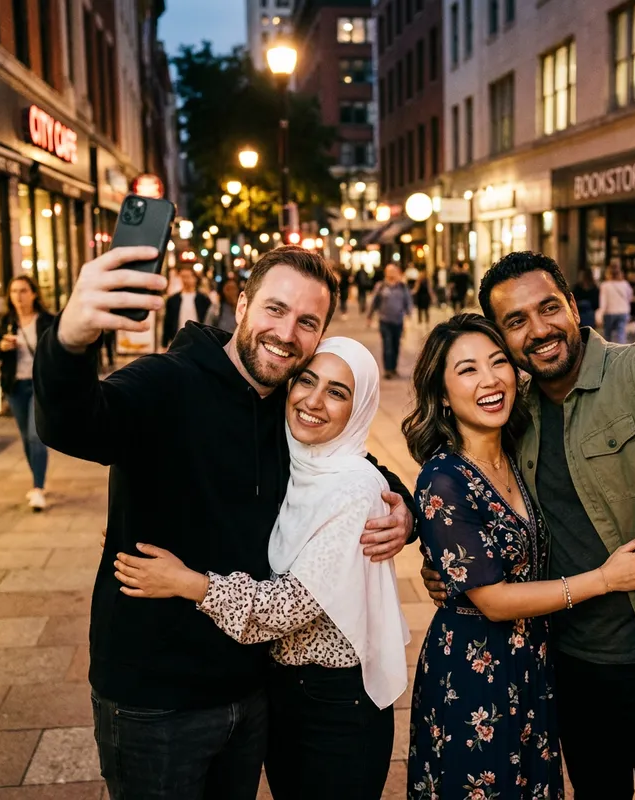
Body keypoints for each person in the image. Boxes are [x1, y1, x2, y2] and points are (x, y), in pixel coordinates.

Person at [33, 245, 416, 800]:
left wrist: (403, 507)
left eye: (307, 322)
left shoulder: (287, 400)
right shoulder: (166, 381)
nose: (286, 333)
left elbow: (349, 465)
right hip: (157, 700)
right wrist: (69, 340)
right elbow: (75, 424)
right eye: (275, 309)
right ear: (241, 306)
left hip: (251, 693)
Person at [422, 251, 635, 799]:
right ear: (503, 339)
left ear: (572, 304)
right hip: (570, 664)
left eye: (548, 308)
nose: (539, 330)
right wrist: (442, 557)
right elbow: (476, 494)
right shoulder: (514, 409)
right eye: (516, 322)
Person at [113, 337, 409, 799]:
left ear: (361, 406)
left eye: (337, 391)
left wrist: (186, 583)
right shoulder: (301, 463)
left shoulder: (353, 489)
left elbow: (288, 607)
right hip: (285, 692)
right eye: (307, 380)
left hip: (334, 703)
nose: (313, 400)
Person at [401, 313, 635, 799]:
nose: (489, 380)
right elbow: (492, 600)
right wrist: (606, 579)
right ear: (442, 394)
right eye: (467, 370)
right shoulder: (443, 477)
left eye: (497, 363)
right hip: (475, 673)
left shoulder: (517, 451)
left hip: (533, 663)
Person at [0, 276, 53, 511]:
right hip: (16, 386)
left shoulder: (48, 321)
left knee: (35, 435)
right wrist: (1, 346)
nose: (18, 297)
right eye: (13, 292)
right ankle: (37, 480)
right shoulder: (6, 322)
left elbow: (58, 351)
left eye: (23, 291)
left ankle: (38, 488)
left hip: (40, 385)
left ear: (33, 294)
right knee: (25, 438)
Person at [368, 264, 413, 380]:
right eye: (389, 271)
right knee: (387, 345)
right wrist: (370, 315)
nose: (392, 273)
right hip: (385, 320)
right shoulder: (381, 286)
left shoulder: (402, 287)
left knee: (396, 345)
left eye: (394, 271)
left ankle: (393, 368)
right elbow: (374, 301)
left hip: (398, 321)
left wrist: (409, 313)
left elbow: (408, 301)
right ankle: (388, 370)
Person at [162, 263, 211, 347]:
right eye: (183, 277)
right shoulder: (173, 300)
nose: (185, 280)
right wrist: (164, 343)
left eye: (188, 277)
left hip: (199, 339)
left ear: (194, 278)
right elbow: (168, 322)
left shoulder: (203, 299)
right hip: (178, 339)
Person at [598, 265, 634, 343]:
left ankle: (608, 353)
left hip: (610, 313)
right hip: (623, 312)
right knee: (621, 335)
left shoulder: (605, 285)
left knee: (607, 335)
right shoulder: (625, 284)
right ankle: (622, 353)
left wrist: (599, 315)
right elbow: (630, 297)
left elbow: (603, 302)